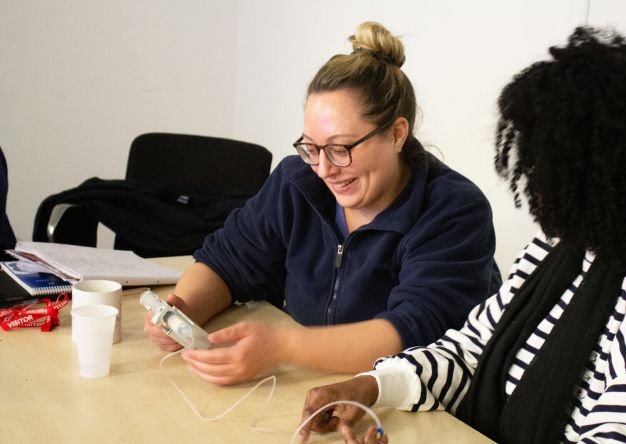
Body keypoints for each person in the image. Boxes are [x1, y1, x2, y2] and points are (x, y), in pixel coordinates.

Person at [300, 27, 626, 444]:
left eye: (550, 166)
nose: (533, 181)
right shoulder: (560, 247)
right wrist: (373, 386)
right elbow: (472, 349)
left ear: (619, 176)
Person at [144, 21, 501, 385]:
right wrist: (181, 312)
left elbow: (413, 332)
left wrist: (282, 347)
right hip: (307, 385)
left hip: (404, 402)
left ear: (396, 134)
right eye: (312, 148)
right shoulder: (296, 182)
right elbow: (229, 260)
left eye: (341, 148)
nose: (324, 169)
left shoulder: (452, 210)